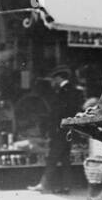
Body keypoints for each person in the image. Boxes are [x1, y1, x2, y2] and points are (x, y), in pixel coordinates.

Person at [35, 65, 85, 193]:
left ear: (58, 78)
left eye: (53, 79)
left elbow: (59, 113)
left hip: (60, 130)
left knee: (52, 157)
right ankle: (66, 186)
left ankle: (44, 185)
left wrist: (53, 129)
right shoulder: (73, 90)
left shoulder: (64, 91)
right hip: (68, 130)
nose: (52, 82)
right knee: (65, 159)